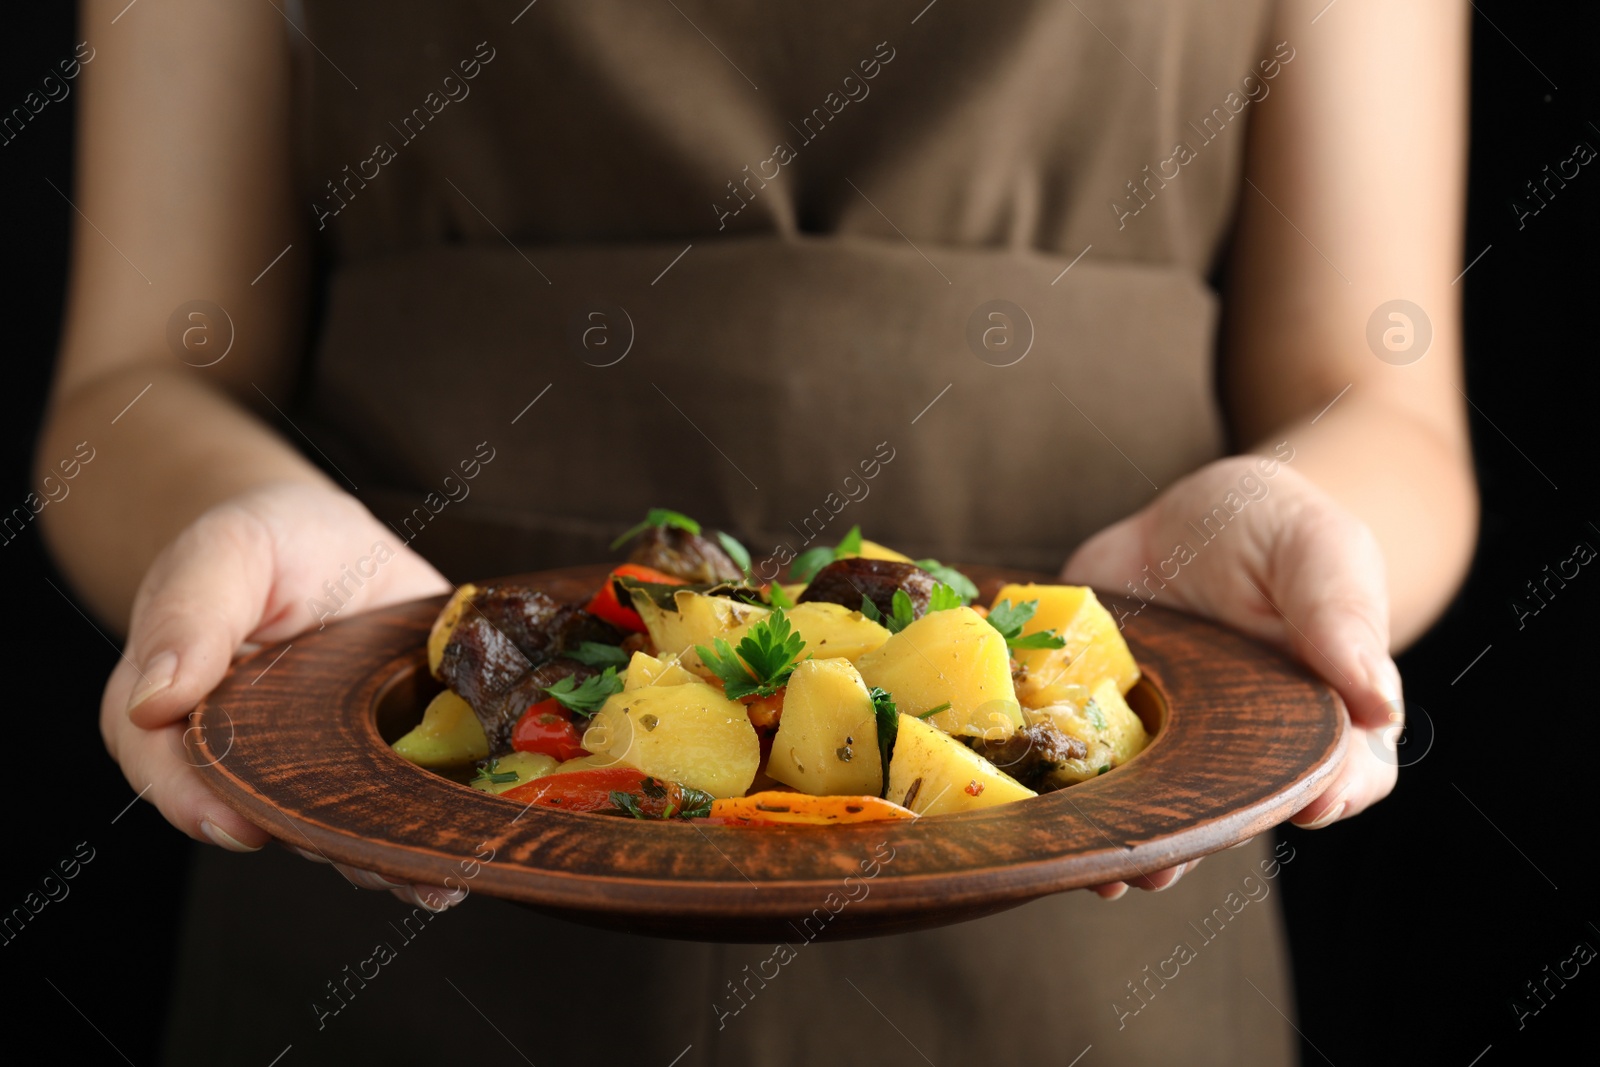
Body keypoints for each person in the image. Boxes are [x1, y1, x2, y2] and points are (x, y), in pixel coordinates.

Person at [39, 1, 1475, 1063]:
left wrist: (1310, 533)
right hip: (393, 850)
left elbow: (1383, 402)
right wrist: (229, 521)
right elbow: (143, 375)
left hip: (1111, 902)